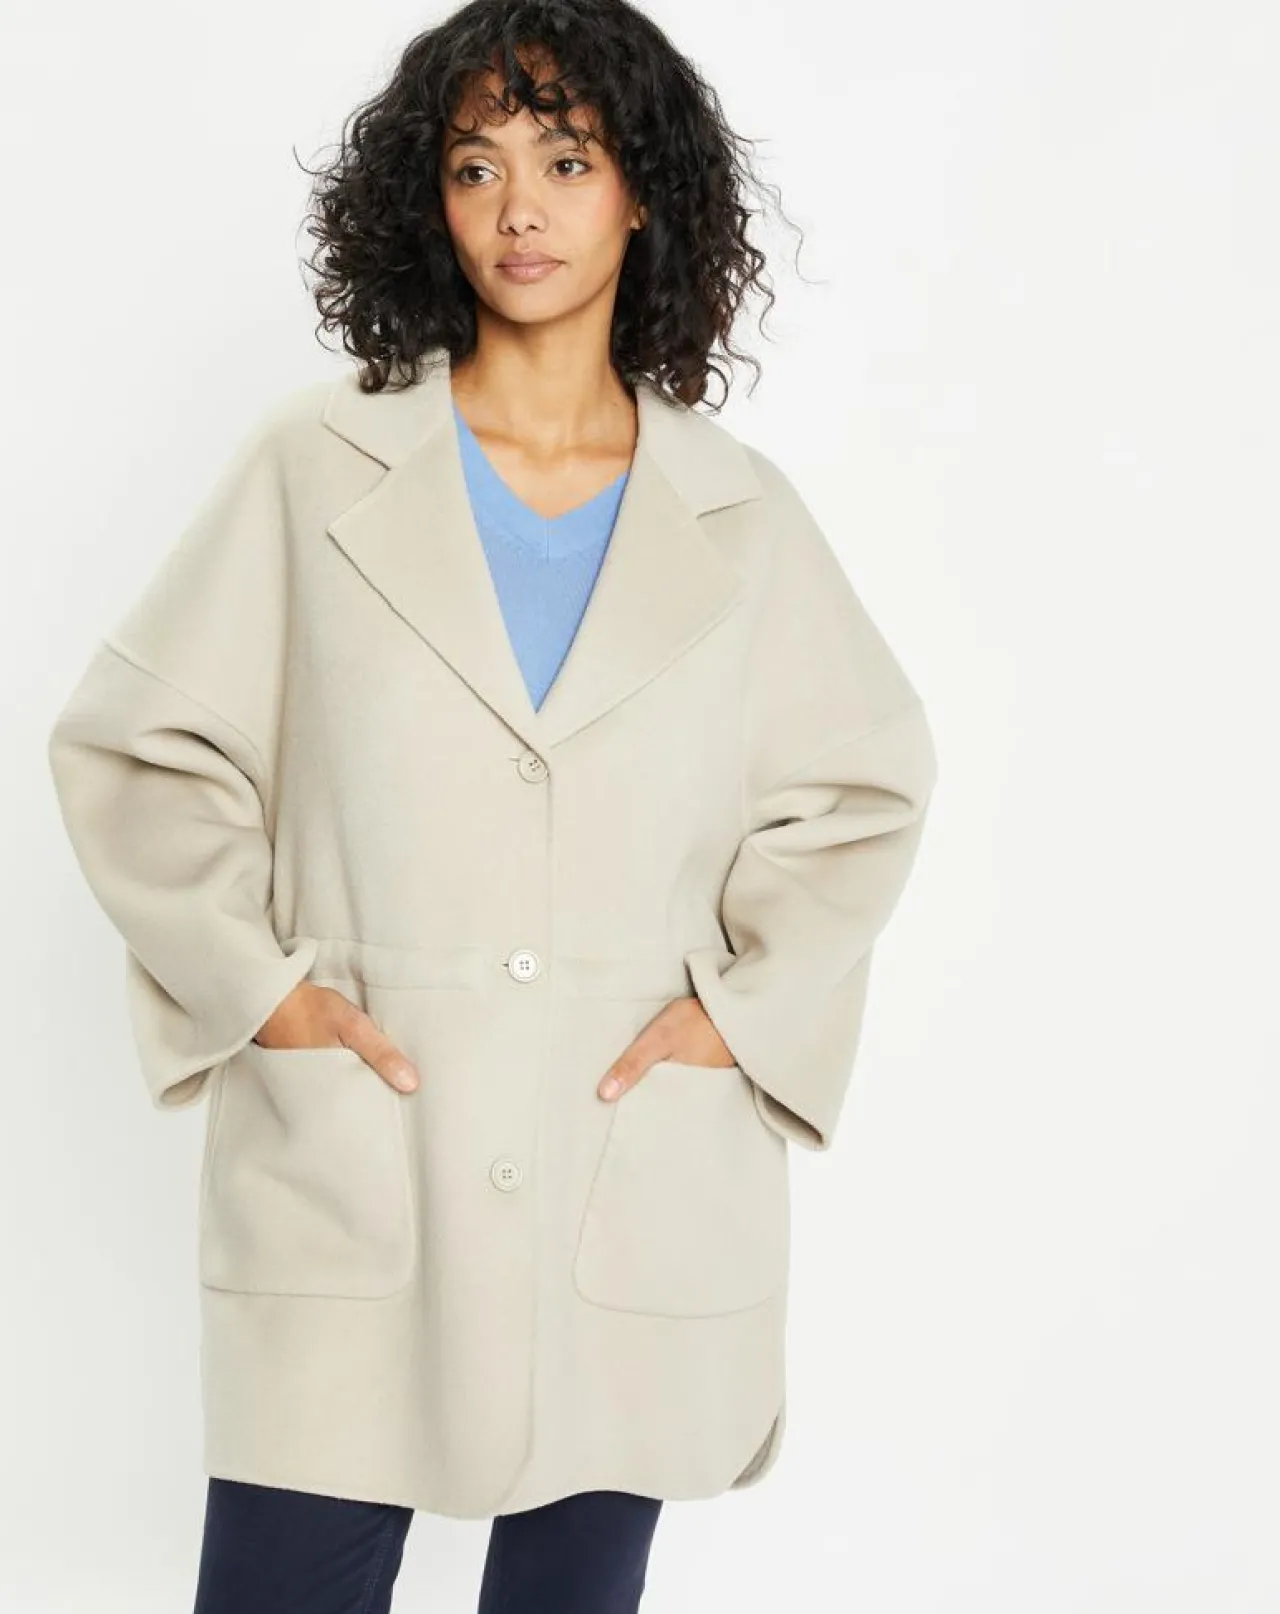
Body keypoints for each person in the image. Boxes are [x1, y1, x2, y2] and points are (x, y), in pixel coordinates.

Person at [46, 2, 939, 1610]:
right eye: (476, 166)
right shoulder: (315, 466)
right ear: (430, 200)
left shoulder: (736, 514)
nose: (520, 207)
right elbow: (139, 748)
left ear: (643, 194)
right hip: (357, 1155)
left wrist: (738, 1017)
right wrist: (265, 994)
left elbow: (858, 790)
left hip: (625, 1163)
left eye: (568, 161)